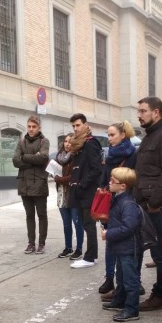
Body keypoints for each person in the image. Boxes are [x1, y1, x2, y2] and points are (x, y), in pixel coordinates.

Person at [133, 97, 162, 310]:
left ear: (156, 113)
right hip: (142, 203)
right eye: (139, 111)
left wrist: (154, 202)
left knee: (160, 253)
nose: (139, 114)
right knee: (140, 248)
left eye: (143, 111)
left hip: (156, 206)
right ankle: (131, 287)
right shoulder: (149, 136)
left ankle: (160, 296)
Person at [98, 121, 137, 293]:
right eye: (108, 135)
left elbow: (133, 178)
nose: (109, 138)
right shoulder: (110, 154)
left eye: (112, 135)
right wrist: (101, 189)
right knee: (109, 239)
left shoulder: (131, 154)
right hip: (109, 200)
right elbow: (104, 175)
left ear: (123, 135)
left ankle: (128, 282)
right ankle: (109, 278)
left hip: (124, 201)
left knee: (123, 240)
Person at [100, 167, 142, 322]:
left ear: (123, 185)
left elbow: (128, 227)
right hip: (120, 246)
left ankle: (132, 309)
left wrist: (108, 234)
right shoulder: (118, 198)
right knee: (121, 276)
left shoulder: (128, 204)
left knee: (130, 279)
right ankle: (119, 300)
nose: (109, 183)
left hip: (128, 247)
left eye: (113, 181)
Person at [68, 114, 103, 268]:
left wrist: (82, 184)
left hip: (87, 192)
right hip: (80, 191)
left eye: (77, 125)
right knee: (85, 223)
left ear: (85, 125)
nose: (75, 129)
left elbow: (96, 169)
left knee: (89, 224)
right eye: (73, 126)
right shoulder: (79, 144)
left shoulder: (90, 143)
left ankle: (89, 257)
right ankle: (92, 255)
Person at [13, 115, 50, 254]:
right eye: (29, 126)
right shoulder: (21, 142)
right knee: (29, 216)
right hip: (24, 184)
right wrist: (34, 158)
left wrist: (24, 157)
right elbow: (15, 161)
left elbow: (43, 158)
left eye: (34, 127)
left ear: (39, 127)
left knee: (41, 215)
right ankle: (31, 243)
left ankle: (41, 243)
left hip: (39, 184)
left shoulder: (44, 141)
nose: (31, 129)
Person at [54, 133, 84, 259]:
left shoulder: (77, 157)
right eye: (65, 141)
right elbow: (55, 174)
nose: (67, 144)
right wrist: (54, 175)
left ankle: (79, 249)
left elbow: (74, 177)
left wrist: (59, 179)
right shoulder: (59, 158)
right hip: (61, 194)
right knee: (66, 224)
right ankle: (68, 247)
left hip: (73, 195)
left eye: (70, 142)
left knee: (77, 223)